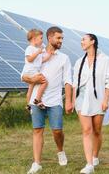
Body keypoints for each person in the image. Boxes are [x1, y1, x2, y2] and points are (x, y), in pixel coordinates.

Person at [22, 26, 73, 174]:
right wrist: (32, 79)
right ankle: (37, 163)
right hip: (36, 100)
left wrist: (69, 100)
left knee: (57, 131)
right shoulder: (36, 53)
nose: (61, 40)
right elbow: (24, 76)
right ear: (49, 38)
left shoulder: (64, 58)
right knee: (37, 130)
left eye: (62, 38)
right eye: (58, 38)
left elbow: (68, 81)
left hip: (55, 100)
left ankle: (60, 150)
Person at [72, 34, 109, 174]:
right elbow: (75, 83)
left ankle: (95, 156)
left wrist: (105, 100)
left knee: (97, 131)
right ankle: (89, 164)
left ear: (92, 41)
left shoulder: (106, 60)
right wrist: (73, 100)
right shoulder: (79, 62)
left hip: (99, 98)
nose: (81, 42)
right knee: (86, 130)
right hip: (81, 99)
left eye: (83, 39)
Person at [21, 29, 52, 110]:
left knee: (31, 87)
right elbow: (29, 59)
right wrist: (38, 52)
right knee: (45, 82)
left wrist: (49, 55)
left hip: (32, 72)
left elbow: (42, 60)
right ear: (34, 39)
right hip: (31, 71)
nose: (42, 40)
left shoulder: (37, 50)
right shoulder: (30, 48)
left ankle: (28, 105)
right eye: (41, 38)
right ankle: (38, 99)